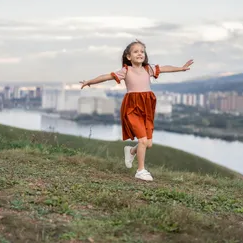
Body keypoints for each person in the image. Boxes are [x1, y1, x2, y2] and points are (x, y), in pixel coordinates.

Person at [80, 40, 194, 181]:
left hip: (147, 107)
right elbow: (106, 77)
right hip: (132, 108)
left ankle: (131, 151)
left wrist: (181, 68)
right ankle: (140, 170)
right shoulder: (125, 71)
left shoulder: (148, 69)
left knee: (148, 144)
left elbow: (164, 68)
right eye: (136, 51)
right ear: (129, 57)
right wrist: (88, 82)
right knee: (143, 140)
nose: (140, 53)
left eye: (142, 51)